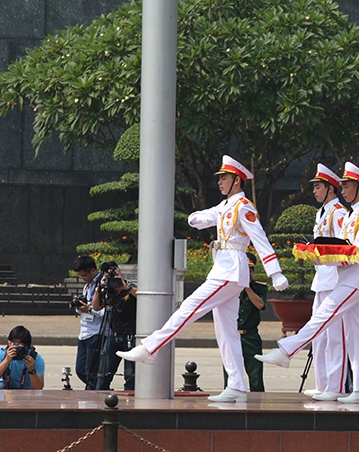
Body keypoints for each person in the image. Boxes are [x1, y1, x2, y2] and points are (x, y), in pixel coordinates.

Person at [117, 155, 289, 403]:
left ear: (237, 181)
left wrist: (275, 272)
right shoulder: (226, 205)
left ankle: (151, 347)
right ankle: (237, 385)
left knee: (189, 307)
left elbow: (260, 239)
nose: (220, 182)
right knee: (227, 331)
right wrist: (194, 218)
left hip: (229, 271)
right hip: (225, 270)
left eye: (224, 178)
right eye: (219, 178)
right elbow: (204, 217)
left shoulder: (244, 207)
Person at [256, 162, 359, 404]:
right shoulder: (353, 214)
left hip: (357, 277)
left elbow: (358, 252)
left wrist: (324, 253)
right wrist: (318, 252)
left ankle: (286, 350)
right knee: (353, 334)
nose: (342, 190)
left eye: (347, 186)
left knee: (322, 316)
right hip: (347, 276)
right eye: (342, 185)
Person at [303, 163, 349, 401]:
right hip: (321, 278)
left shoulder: (339, 213)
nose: (315, 191)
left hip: (334, 279)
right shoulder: (321, 212)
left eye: (319, 187)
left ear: (331, 188)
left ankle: (335, 386)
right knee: (319, 333)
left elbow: (343, 247)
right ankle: (322, 384)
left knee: (334, 335)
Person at [223, 252, 268, 392]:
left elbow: (260, 305)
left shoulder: (259, 288)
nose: (247, 273)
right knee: (230, 374)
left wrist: (247, 287)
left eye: (249, 270)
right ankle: (231, 396)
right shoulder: (229, 287)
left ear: (253, 272)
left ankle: (258, 405)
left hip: (250, 336)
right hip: (232, 335)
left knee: (255, 375)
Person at [92, 261, 138, 390]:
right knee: (104, 372)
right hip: (114, 335)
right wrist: (99, 289)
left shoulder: (130, 289)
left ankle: (131, 400)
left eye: (117, 275)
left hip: (131, 336)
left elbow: (142, 296)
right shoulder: (108, 291)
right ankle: (100, 396)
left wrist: (125, 288)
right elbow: (96, 307)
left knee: (131, 374)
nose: (115, 280)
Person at [71, 255, 105, 389]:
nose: (83, 279)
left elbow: (105, 312)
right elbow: (83, 311)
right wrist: (80, 306)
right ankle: (98, 388)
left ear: (93, 270)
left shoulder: (102, 284)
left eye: (84, 275)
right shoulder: (87, 286)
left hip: (97, 332)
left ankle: (96, 392)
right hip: (84, 332)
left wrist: (89, 309)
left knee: (91, 372)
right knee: (80, 370)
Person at [0, 325, 45, 389]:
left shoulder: (36, 358)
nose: (16, 348)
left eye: (19, 344)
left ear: (27, 345)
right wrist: (6, 360)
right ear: (9, 342)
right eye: (13, 343)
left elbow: (39, 388)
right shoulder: (1, 354)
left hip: (27, 393)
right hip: (5, 390)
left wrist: (31, 370)